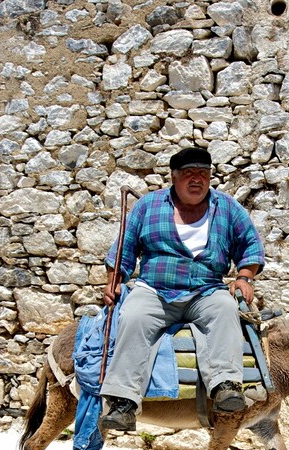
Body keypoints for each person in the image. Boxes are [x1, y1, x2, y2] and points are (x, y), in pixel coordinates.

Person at [99, 146, 265, 432]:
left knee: (226, 308)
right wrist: (114, 278)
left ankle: (225, 385)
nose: (196, 180)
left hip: (206, 290)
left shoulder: (226, 207)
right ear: (174, 177)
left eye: (203, 174)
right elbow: (124, 249)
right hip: (155, 289)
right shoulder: (148, 206)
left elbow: (250, 244)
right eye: (189, 174)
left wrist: (244, 276)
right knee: (132, 316)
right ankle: (123, 402)